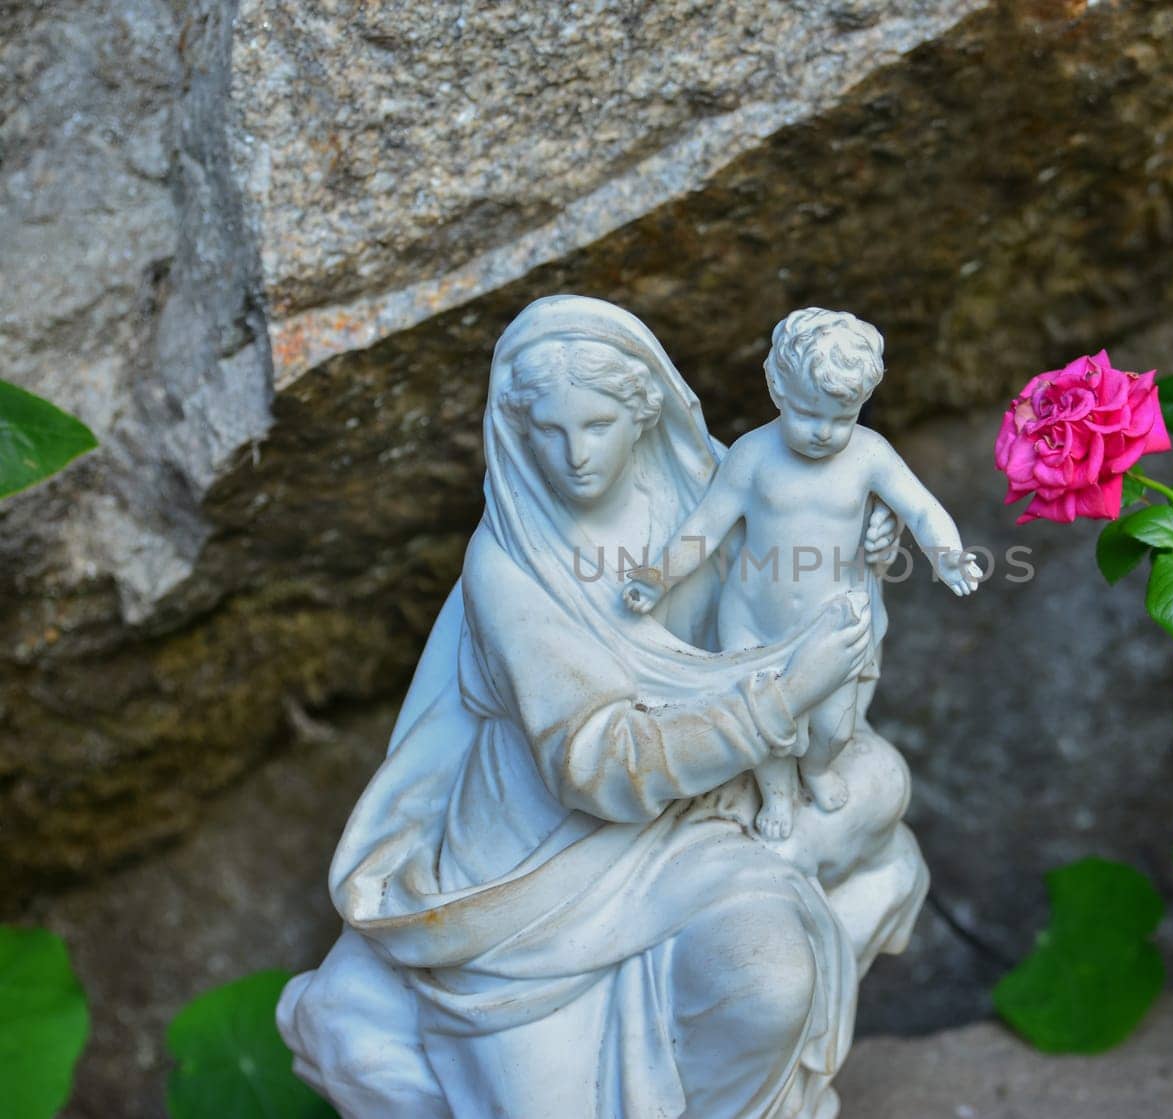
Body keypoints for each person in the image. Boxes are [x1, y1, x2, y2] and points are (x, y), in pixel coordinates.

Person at [276, 295, 928, 1119]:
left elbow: (798, 615)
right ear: (518, 430)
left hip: (695, 824)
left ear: (642, 410)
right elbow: (595, 764)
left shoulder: (713, 490)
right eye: (548, 431)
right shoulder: (510, 565)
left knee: (769, 975)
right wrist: (780, 698)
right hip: (539, 868)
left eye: (597, 425)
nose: (574, 455)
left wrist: (860, 560)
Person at [623, 308, 978, 842]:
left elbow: (921, 508)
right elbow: (705, 528)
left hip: (837, 622)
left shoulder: (869, 455)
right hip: (753, 621)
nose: (824, 433)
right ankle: (778, 794)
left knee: (836, 726)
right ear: (776, 388)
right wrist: (660, 577)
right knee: (766, 727)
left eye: (842, 418)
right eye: (809, 415)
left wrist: (945, 551)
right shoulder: (752, 457)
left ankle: (815, 769)